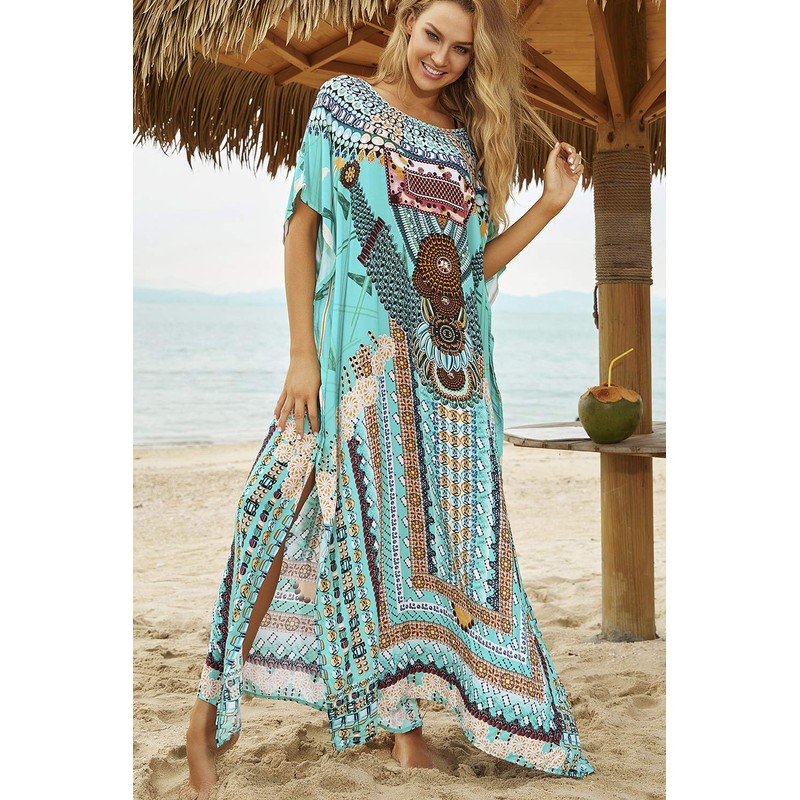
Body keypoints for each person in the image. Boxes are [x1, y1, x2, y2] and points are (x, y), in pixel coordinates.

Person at [182, 1, 591, 796]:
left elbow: (467, 272)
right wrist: (301, 356)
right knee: (267, 515)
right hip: (346, 367)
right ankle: (207, 715)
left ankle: (405, 729)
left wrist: (549, 205)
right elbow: (302, 230)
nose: (442, 57)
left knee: (396, 549)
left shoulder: (462, 145)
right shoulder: (342, 104)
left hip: (434, 386)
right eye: (433, 35)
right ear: (406, 22)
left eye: (461, 49)